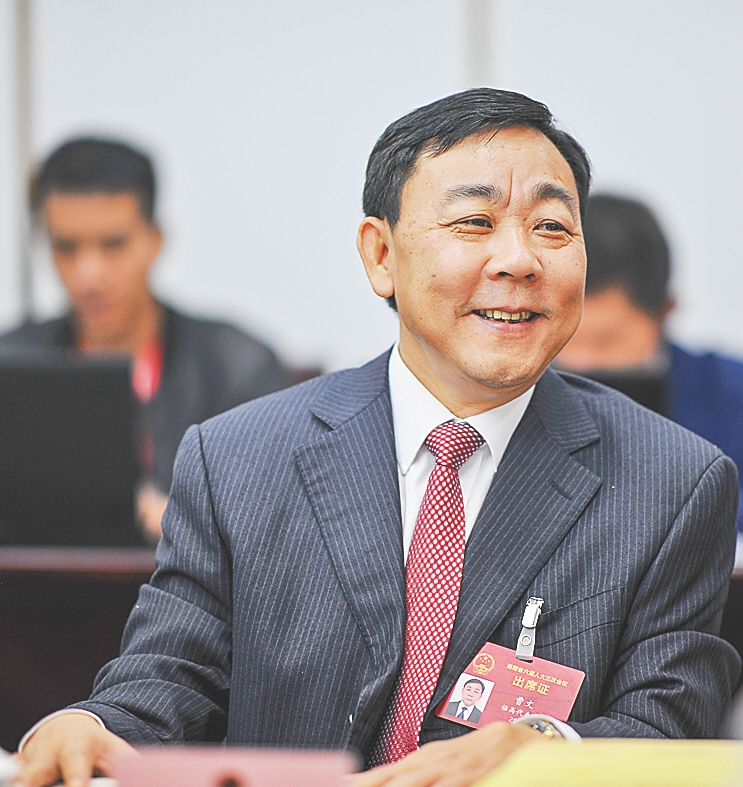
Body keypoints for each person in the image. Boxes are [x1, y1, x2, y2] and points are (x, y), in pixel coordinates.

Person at [15, 89, 740, 787]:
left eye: (551, 227)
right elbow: (165, 679)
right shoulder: (236, 459)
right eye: (474, 223)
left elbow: (670, 724)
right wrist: (88, 722)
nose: (519, 259)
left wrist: (545, 748)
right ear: (380, 255)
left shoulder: (672, 482)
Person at [0, 138, 289, 540]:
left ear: (156, 240)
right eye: (65, 247)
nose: (89, 274)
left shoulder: (237, 368)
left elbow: (276, 520)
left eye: (113, 244)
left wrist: (185, 521)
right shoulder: (12, 365)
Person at [557, 193, 743, 531]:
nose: (580, 360)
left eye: (608, 340)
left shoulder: (732, 393)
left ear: (665, 312)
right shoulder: (507, 391)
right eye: (565, 335)